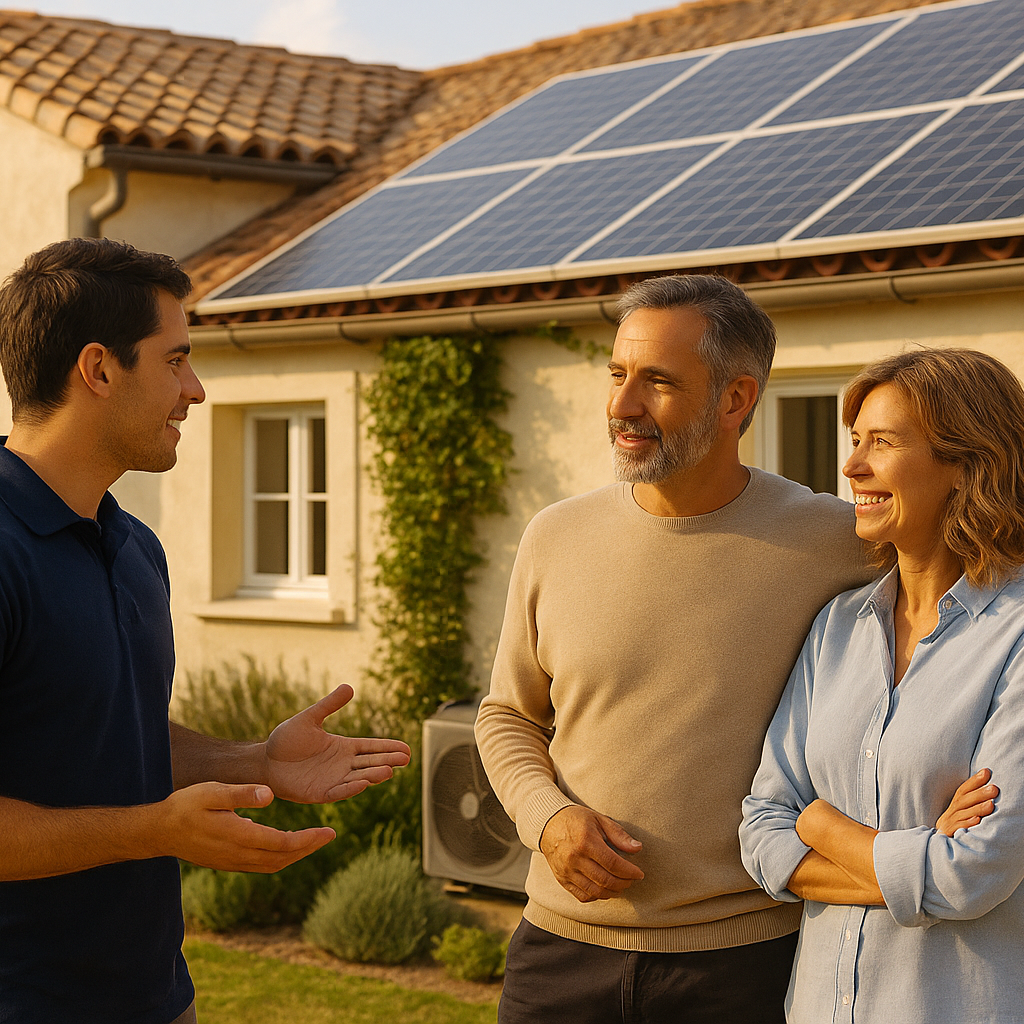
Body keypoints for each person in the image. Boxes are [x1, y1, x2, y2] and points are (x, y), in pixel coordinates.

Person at [0, 238, 411, 1024]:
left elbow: (105, 732)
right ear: (98, 369)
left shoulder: (132, 547)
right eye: (176, 359)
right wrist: (154, 830)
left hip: (155, 999)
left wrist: (253, 759)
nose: (195, 389)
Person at [475, 273, 876, 1024]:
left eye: (657, 381)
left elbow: (963, 609)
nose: (623, 406)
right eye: (618, 374)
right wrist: (548, 820)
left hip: (749, 961)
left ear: (736, 400)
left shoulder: (837, 542)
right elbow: (507, 717)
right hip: (558, 953)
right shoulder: (554, 536)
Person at [739, 348, 1024, 1023]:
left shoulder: (1015, 635)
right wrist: (915, 861)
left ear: (966, 464)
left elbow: (974, 871)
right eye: (855, 440)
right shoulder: (838, 626)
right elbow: (761, 829)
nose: (851, 467)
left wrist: (823, 823)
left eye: (884, 443)